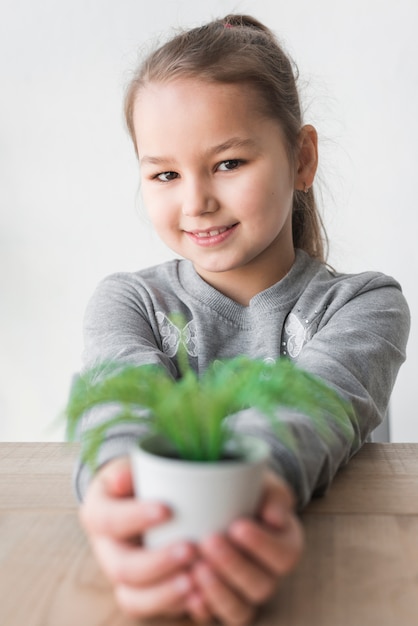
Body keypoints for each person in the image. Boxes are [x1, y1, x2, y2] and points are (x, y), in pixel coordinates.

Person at [74, 14, 410, 625]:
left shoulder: (366, 306)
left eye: (228, 163)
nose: (196, 200)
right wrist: (119, 497)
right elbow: (115, 412)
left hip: (335, 583)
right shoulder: (127, 302)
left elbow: (309, 414)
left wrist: (240, 506)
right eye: (165, 174)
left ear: (302, 158)